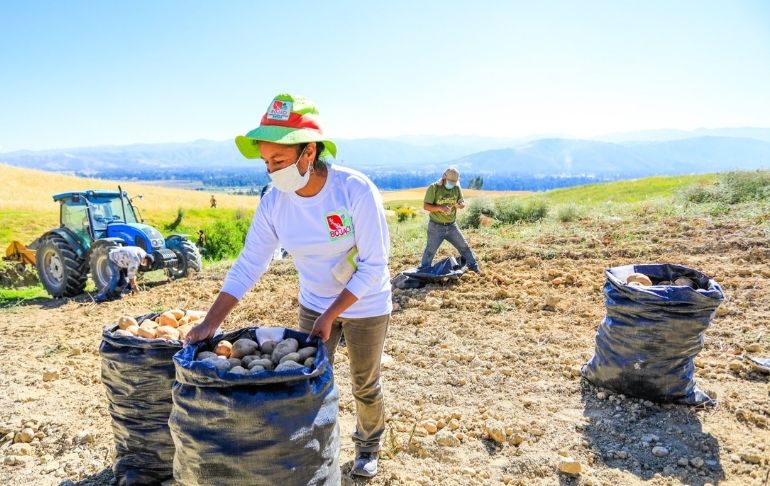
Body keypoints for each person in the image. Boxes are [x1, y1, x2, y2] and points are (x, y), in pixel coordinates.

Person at [185, 93, 392, 478]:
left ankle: (368, 445)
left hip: (365, 303)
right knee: (307, 382)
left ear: (308, 152)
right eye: (266, 162)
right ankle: (316, 451)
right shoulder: (274, 202)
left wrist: (333, 314)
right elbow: (250, 263)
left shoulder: (354, 191)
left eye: (278, 160)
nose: (271, 171)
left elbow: (375, 266)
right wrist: (210, 322)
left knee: (364, 381)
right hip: (315, 302)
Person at [419, 167, 480, 273]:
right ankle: (424, 272)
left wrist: (461, 205)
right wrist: (440, 208)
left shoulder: (456, 187)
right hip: (436, 226)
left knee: (464, 246)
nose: (451, 184)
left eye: (454, 182)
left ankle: (474, 268)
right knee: (430, 251)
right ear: (444, 177)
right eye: (450, 181)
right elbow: (426, 206)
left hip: (452, 226)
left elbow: (461, 201)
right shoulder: (434, 188)